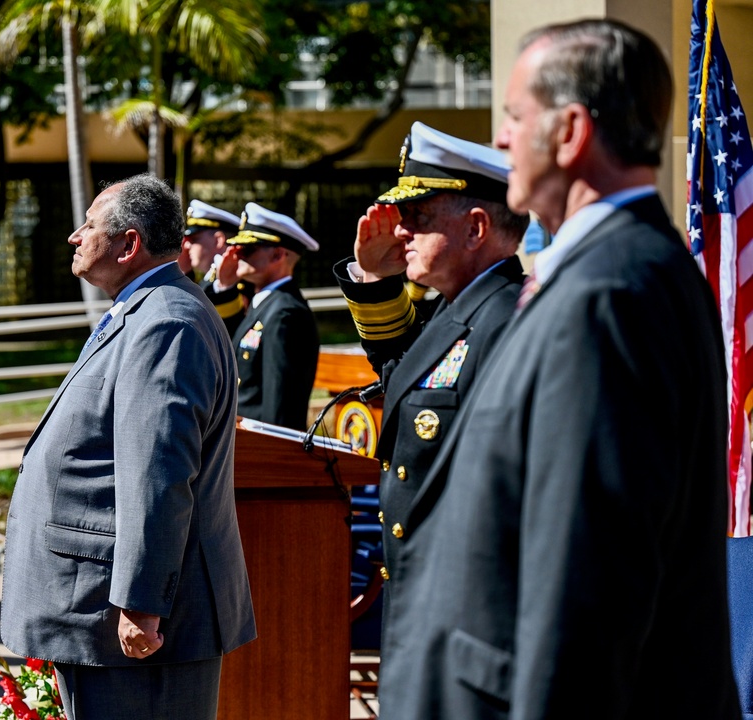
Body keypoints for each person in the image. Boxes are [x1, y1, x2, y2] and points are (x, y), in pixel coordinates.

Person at [389, 19, 740, 718]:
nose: (500, 139)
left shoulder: (609, 292)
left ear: (572, 130)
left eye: (515, 116)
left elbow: (587, 578)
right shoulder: (608, 273)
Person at [0, 174, 256, 720]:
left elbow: (157, 474)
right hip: (99, 612)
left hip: (131, 626)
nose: (74, 236)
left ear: (129, 243)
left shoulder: (166, 322)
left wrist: (141, 604)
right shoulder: (146, 310)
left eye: (89, 225)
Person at [332, 120, 527, 705]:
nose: (402, 231)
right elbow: (405, 377)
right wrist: (374, 280)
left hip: (470, 621)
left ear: (476, 227)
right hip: (423, 609)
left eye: (420, 217)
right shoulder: (455, 314)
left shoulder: (508, 321)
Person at [209, 202, 320, 430]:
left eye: (248, 249)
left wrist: (269, 460)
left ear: (278, 255)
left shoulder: (285, 313)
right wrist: (225, 285)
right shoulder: (267, 304)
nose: (236, 253)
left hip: (261, 450)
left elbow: (279, 409)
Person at [178, 199, 252, 334]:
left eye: (194, 240)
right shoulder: (208, 280)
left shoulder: (240, 283)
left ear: (218, 240)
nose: (187, 246)